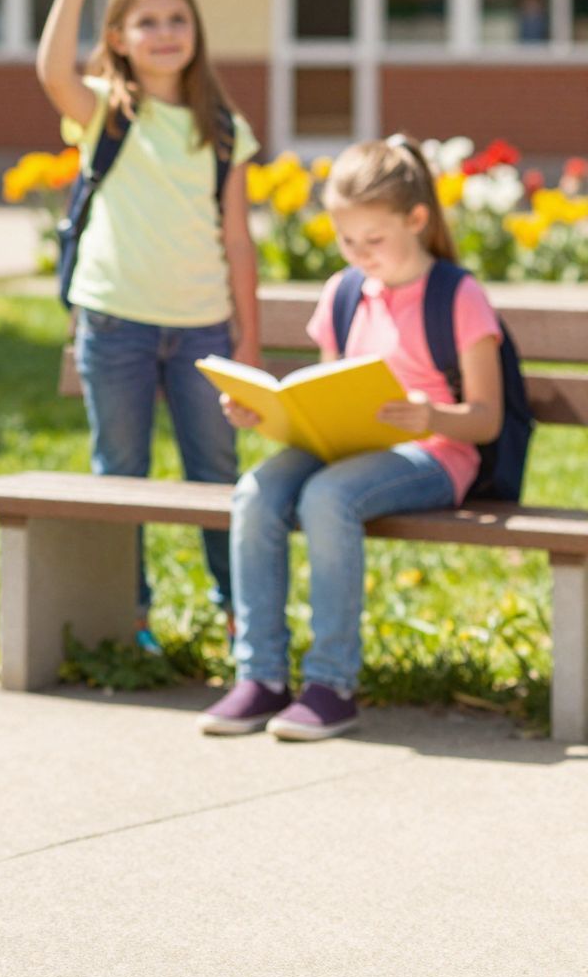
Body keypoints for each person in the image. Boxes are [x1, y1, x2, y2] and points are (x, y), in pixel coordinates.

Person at [202, 134, 502, 742]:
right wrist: (266, 413)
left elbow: (487, 419)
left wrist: (432, 417)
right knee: (256, 491)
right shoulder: (344, 292)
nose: (360, 255)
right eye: (347, 241)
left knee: (327, 498)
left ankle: (332, 684)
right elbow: (327, 389)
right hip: (350, 449)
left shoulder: (458, 296)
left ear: (417, 220)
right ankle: (259, 677)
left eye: (374, 241)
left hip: (436, 454)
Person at [36, 0, 260, 649]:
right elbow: (52, 73)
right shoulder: (106, 107)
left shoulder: (224, 128)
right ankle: (125, 619)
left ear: (196, 32)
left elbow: (237, 239)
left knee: (216, 475)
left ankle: (239, 615)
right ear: (120, 37)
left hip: (204, 329)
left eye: (177, 19)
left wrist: (248, 337)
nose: (165, 33)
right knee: (120, 474)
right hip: (115, 324)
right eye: (147, 21)